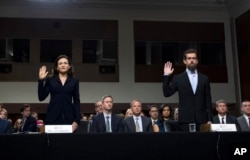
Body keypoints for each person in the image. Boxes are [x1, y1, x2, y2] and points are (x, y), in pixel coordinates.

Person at [163, 48, 212, 132]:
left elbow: (208, 100)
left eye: (194, 58)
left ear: (197, 61)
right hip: (185, 120)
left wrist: (210, 119)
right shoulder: (178, 78)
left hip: (202, 120)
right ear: (184, 61)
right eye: (189, 58)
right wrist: (166, 75)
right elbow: (167, 93)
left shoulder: (204, 78)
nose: (191, 60)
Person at [38, 55, 80, 132]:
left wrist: (76, 120)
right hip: (52, 117)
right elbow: (41, 97)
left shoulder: (74, 81)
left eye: (65, 63)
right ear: (57, 67)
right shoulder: (50, 79)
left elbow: (76, 101)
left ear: (69, 66)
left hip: (69, 118)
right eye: (60, 63)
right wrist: (41, 81)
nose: (63, 65)